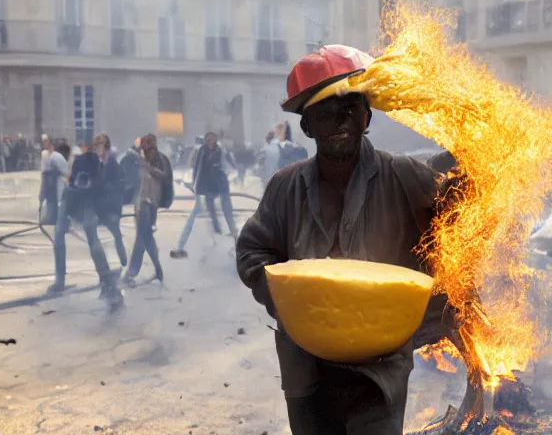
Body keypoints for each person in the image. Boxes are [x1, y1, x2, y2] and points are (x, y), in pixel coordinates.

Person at [236, 44, 459, 435]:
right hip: (306, 366)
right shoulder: (285, 187)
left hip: (379, 371)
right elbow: (253, 250)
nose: (340, 121)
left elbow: (459, 211)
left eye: (350, 108)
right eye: (325, 113)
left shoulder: (404, 176)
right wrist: (285, 296)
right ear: (306, 126)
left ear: (367, 115)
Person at [49, 139, 124, 306]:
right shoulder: (90, 162)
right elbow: (93, 184)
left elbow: (83, 182)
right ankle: (106, 281)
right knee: (86, 240)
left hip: (76, 202)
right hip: (78, 202)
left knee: (72, 239)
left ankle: (104, 281)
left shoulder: (87, 161)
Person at [170, 131, 238, 259]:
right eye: (209, 139)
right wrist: (195, 183)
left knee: (227, 214)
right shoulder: (202, 151)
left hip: (219, 187)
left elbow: (230, 167)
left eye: (213, 138)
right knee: (198, 215)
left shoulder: (221, 151)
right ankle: (181, 246)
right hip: (205, 188)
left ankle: (236, 242)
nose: (211, 141)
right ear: (206, 140)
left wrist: (226, 174)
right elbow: (197, 168)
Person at [122, 134, 173, 287]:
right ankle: (152, 270)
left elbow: (165, 176)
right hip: (141, 201)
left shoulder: (160, 159)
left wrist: (149, 168)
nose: (146, 147)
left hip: (151, 201)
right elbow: (125, 164)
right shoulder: (138, 157)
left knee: (144, 236)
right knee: (144, 236)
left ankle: (135, 272)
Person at [94, 133, 129, 267]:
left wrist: (110, 187)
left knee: (116, 233)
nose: (98, 150)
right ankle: (103, 267)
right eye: (97, 146)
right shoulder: (97, 164)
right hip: (100, 206)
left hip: (112, 206)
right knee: (93, 235)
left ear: (106, 148)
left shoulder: (113, 164)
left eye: (100, 146)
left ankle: (123, 260)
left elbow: (122, 184)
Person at [39, 137, 68, 225]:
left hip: (57, 184)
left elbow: (47, 175)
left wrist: (42, 196)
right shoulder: (56, 156)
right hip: (60, 182)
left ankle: (53, 218)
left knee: (53, 200)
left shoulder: (50, 157)